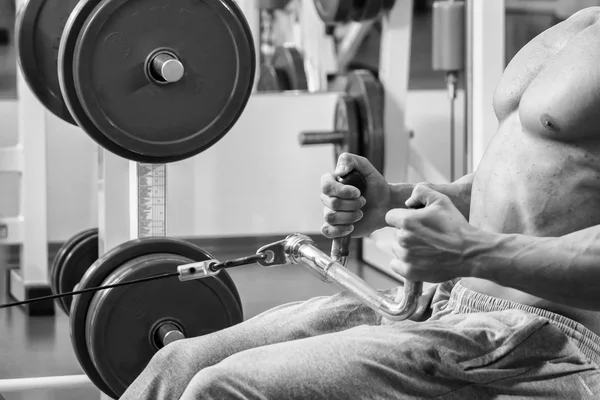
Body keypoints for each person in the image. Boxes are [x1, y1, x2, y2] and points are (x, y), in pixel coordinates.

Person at [121, 7, 600, 399]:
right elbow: (530, 180)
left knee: (222, 390)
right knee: (178, 364)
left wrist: (473, 251)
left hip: (537, 339)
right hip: (444, 303)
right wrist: (391, 201)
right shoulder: (580, 24)